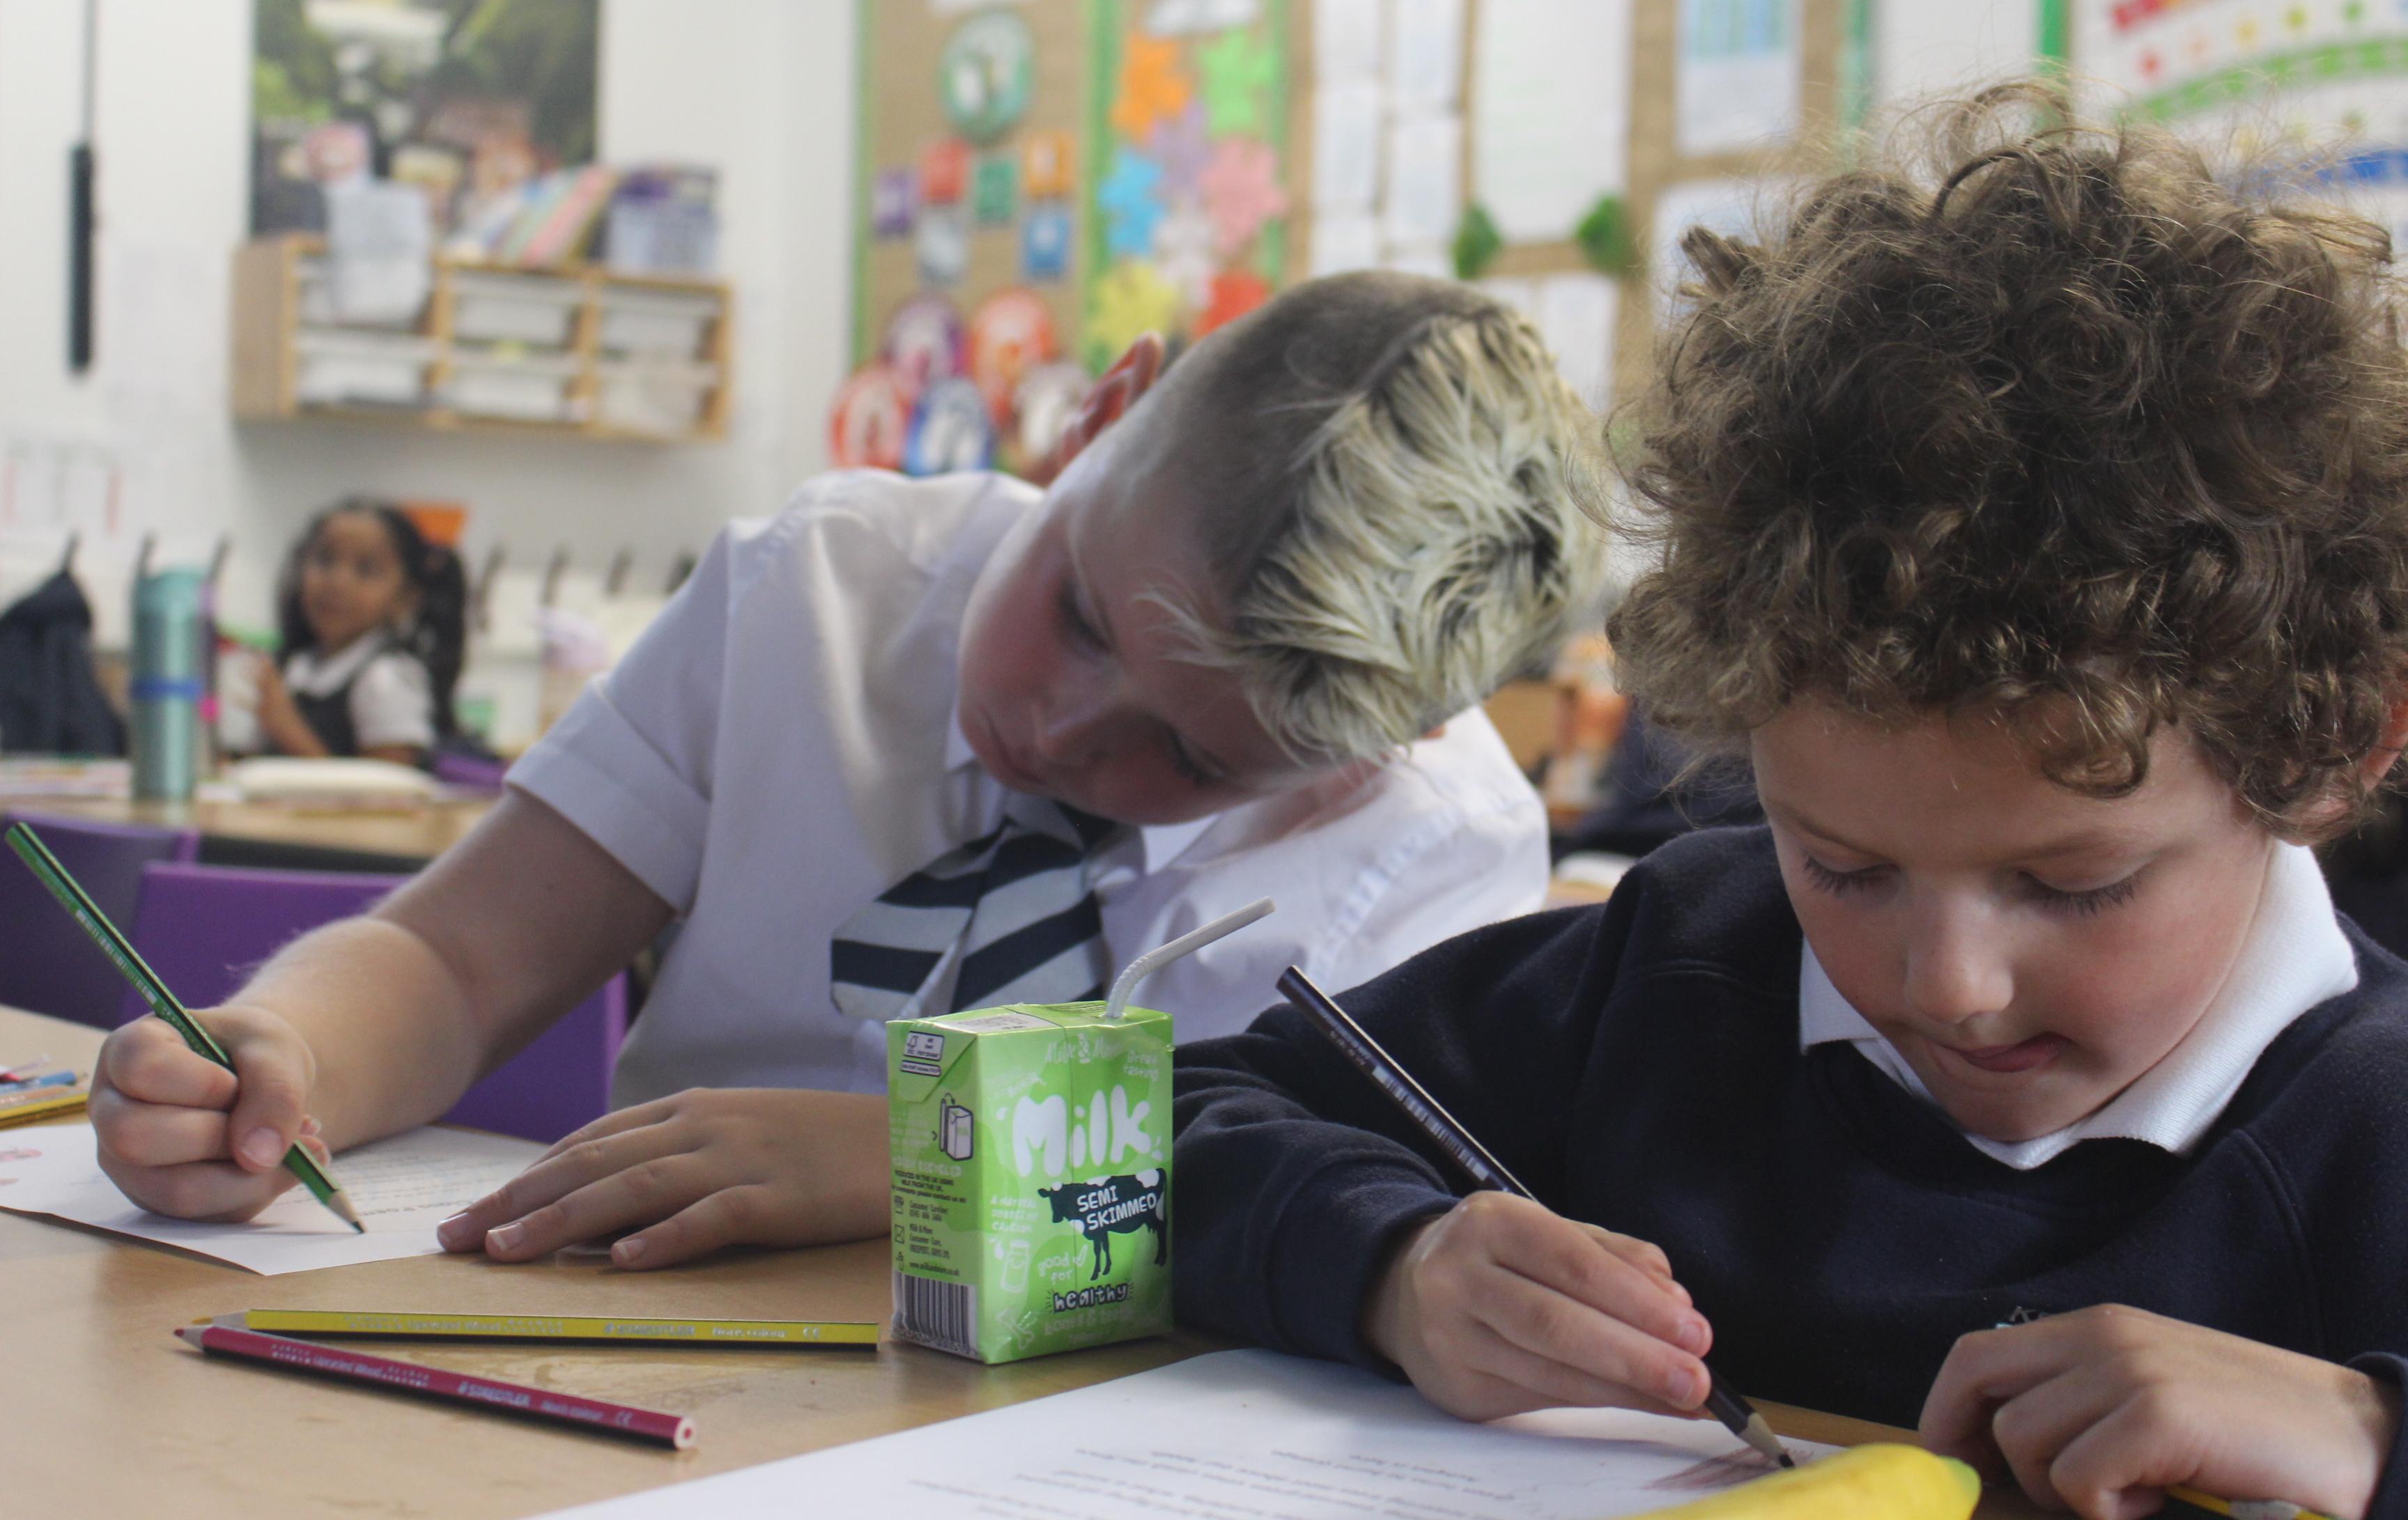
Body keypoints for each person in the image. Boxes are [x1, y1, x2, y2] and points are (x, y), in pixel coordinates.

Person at [1173, 92, 2408, 1520]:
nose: (1947, 984)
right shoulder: (1684, 967)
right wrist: (1394, 1263)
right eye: (1845, 864)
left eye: (2073, 884)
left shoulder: (2375, 1127)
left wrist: (2370, 1429)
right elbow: (1168, 1130)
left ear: (2331, 751)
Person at [86, 272, 1597, 1273]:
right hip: (637, 1342)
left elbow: (1348, 1219)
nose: (1063, 729)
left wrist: (923, 1158)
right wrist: (288, 1053)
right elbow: (457, 960)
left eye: (1194, 754)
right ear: (1097, 419)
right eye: (1078, 612)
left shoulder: (1437, 843)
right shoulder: (819, 586)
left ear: (1375, 749)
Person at [251, 501, 467, 767]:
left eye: (366, 569)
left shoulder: (385, 678)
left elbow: (390, 785)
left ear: (406, 599)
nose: (338, 582)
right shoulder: (298, 667)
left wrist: (288, 730)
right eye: (325, 560)